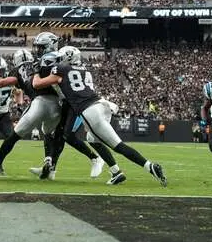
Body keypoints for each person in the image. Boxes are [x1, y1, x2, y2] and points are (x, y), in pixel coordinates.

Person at [34, 46, 167, 187]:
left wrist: (36, 71)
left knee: (118, 146)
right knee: (91, 139)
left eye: (62, 58)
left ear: (67, 58)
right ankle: (116, 173)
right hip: (101, 105)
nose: (59, 60)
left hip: (89, 111)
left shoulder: (62, 70)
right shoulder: (85, 70)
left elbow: (37, 84)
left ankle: (150, 167)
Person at [0, 33, 62, 179]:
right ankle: (49, 160)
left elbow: (6, 82)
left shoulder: (21, 69)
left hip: (39, 102)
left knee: (13, 137)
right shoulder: (42, 62)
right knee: (48, 134)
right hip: (56, 104)